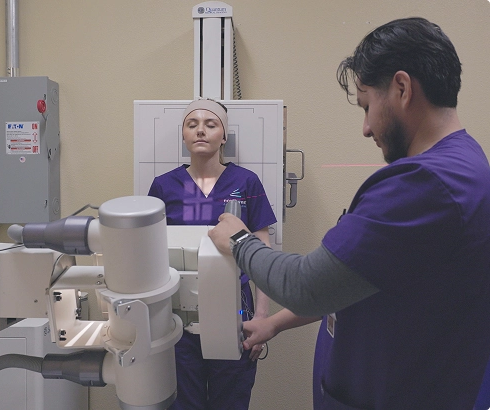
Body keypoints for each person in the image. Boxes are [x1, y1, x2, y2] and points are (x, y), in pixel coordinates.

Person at [208, 17, 490, 410]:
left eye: (367, 105)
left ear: (403, 88)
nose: (365, 127)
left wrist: (238, 240)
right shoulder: (465, 162)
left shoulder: (424, 185)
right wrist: (274, 322)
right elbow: (351, 278)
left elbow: (306, 285)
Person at [148, 98, 277, 410]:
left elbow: (263, 253)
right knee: (182, 402)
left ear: (224, 134)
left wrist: (262, 316)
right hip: (177, 312)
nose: (201, 131)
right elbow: (147, 253)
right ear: (183, 135)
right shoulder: (164, 187)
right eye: (192, 125)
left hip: (235, 307)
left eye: (210, 124)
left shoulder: (246, 182)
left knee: (230, 400)